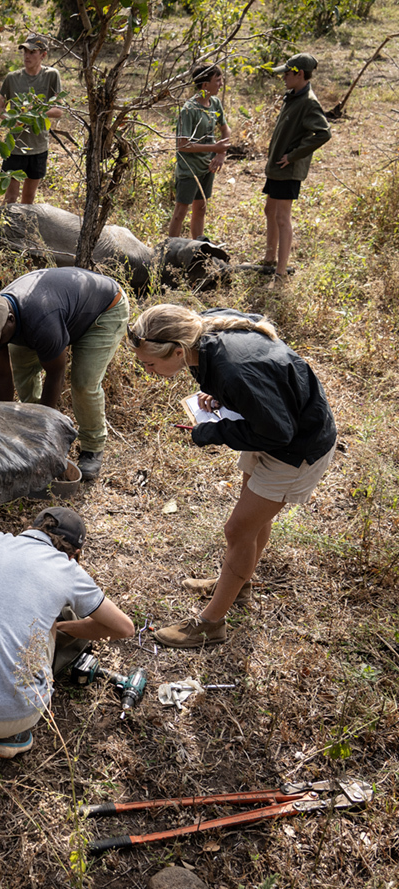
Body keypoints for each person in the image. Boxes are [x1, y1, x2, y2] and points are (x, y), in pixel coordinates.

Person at [127, 305, 337, 648]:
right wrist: (221, 398)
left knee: (237, 529)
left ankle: (211, 624)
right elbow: (261, 389)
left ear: (178, 351)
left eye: (150, 364)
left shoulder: (230, 369)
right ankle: (237, 583)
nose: (148, 371)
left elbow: (278, 432)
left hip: (295, 447)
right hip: (273, 428)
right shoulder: (204, 335)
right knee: (249, 521)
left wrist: (213, 432)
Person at [0, 506, 134, 758]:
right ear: (74, 555)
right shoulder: (68, 570)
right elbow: (124, 628)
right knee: (47, 619)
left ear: (30, 529)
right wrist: (62, 627)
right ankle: (11, 736)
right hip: (16, 716)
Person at [0, 267, 129, 482]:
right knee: (23, 371)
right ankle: (27, 427)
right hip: (59, 310)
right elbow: (0, 376)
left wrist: (43, 433)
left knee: (83, 383)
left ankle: (92, 446)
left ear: (11, 320)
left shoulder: (42, 320)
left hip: (103, 310)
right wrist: (4, 429)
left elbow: (56, 374)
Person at [260, 53, 331, 280]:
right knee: (269, 210)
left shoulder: (309, 102)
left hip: (287, 169)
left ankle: (280, 273)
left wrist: (293, 156)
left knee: (282, 218)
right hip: (277, 167)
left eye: (287, 74)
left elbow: (323, 133)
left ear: (300, 74)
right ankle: (269, 259)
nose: (284, 78)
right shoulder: (292, 96)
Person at [0, 35, 63, 205]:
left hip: (39, 146)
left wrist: (37, 112)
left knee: (28, 199)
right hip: (15, 147)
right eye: (25, 51)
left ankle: (23, 231)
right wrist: (14, 119)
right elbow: (0, 111)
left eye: (32, 52)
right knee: (10, 198)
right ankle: (5, 231)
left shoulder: (51, 76)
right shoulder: (12, 78)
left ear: (43, 55)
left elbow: (59, 110)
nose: (27, 56)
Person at [169, 62, 231, 240]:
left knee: (201, 209)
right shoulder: (189, 110)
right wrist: (215, 148)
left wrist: (220, 154)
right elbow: (183, 145)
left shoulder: (215, 104)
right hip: (189, 169)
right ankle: (169, 251)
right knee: (181, 211)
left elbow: (225, 129)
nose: (221, 84)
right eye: (217, 80)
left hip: (207, 167)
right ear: (205, 85)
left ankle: (197, 249)